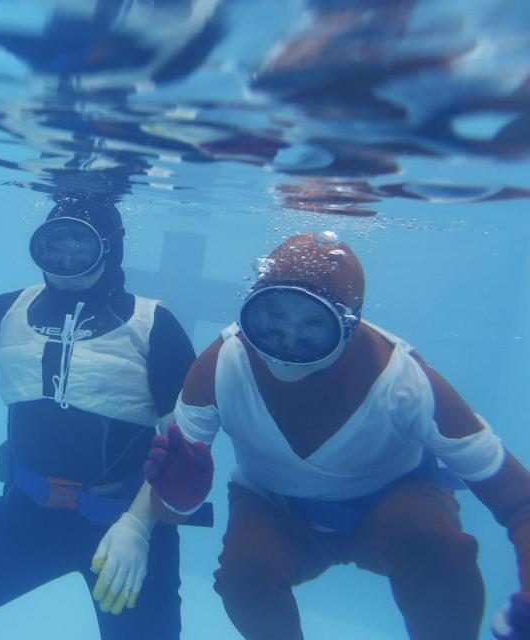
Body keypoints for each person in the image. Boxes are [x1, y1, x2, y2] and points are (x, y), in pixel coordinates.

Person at [144, 230, 530, 640]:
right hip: (276, 509)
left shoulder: (404, 382)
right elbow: (168, 514)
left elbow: (519, 499)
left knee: (441, 554)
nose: (287, 342)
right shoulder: (220, 366)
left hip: (394, 503)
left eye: (313, 324)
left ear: (349, 324)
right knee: (245, 578)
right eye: (272, 318)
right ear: (249, 309)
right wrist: (176, 498)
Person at [0, 199, 196, 639]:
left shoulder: (154, 323)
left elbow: (185, 441)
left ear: (110, 248)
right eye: (55, 246)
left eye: (80, 245)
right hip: (29, 511)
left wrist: (138, 527)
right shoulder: (11, 307)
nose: (66, 260)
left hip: (124, 522)